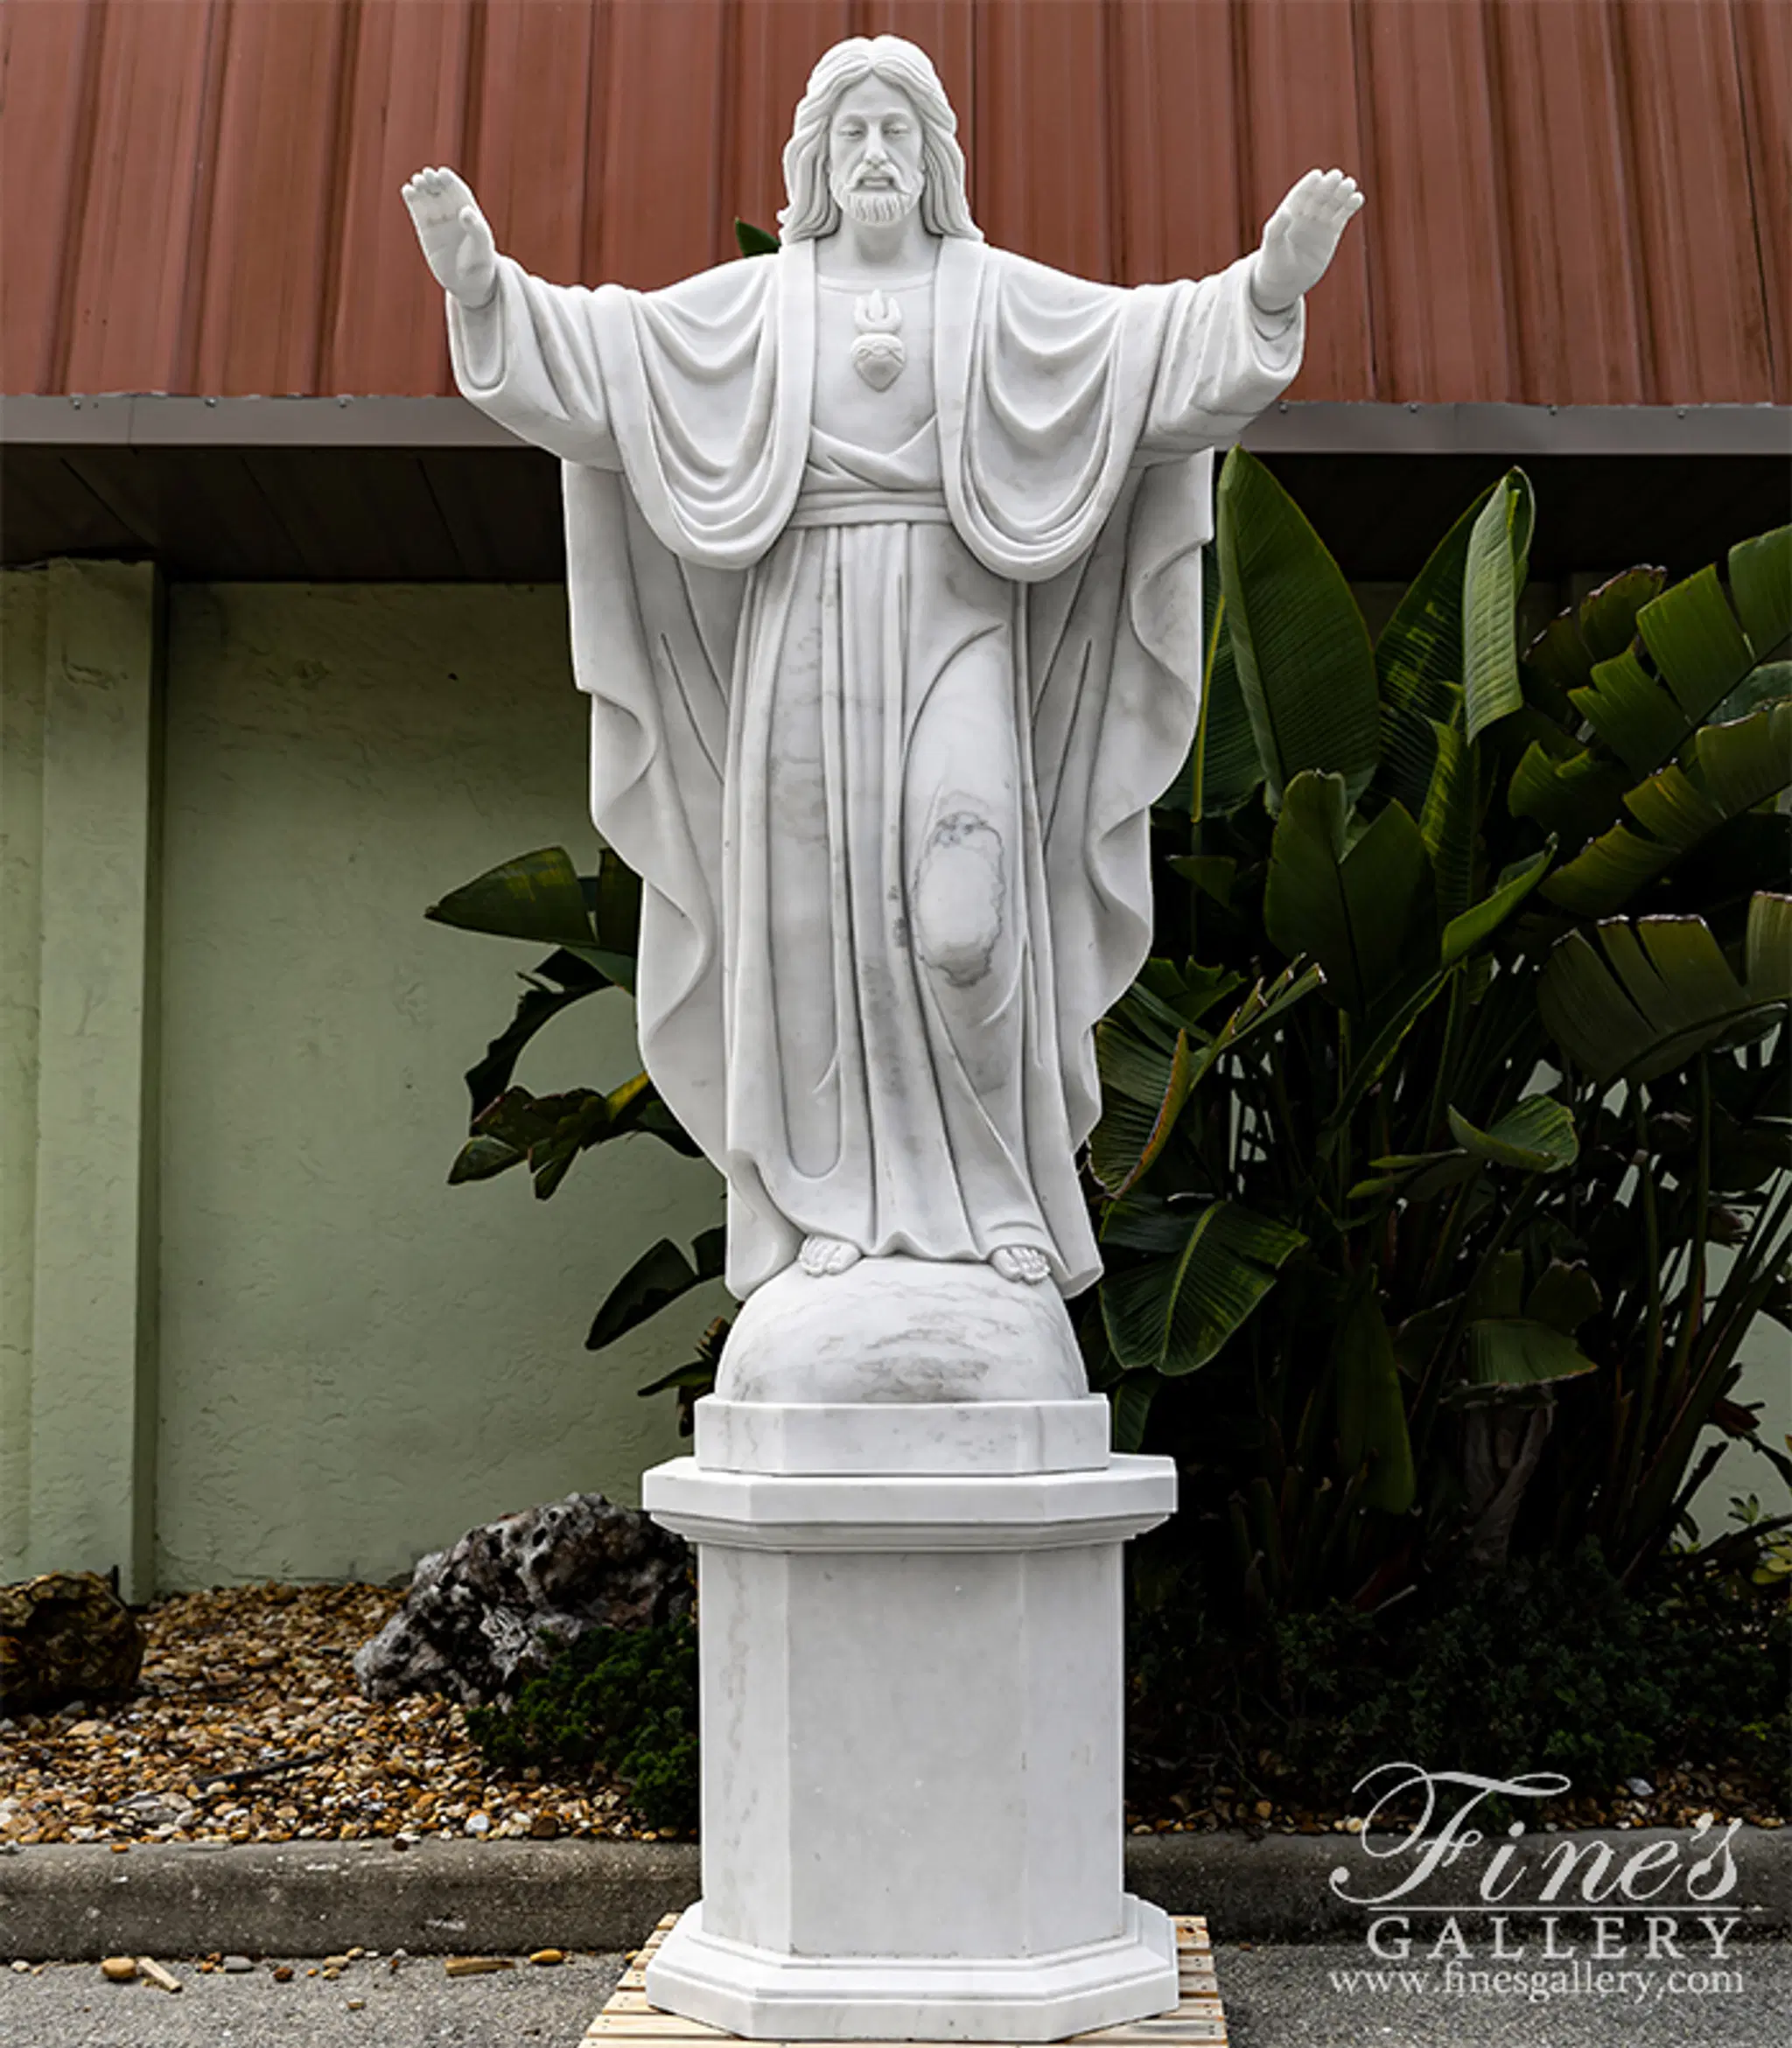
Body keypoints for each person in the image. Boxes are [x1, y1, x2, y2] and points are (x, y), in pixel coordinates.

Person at [403, 35, 1362, 1300]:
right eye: (850, 131)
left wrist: (1268, 290)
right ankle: (827, 1207)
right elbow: (606, 361)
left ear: (932, 157)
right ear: (814, 157)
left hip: (957, 628)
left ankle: (999, 1198)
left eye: (895, 131)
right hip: (802, 636)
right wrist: (485, 291)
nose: (872, 154)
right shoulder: (761, 305)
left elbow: (1152, 354)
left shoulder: (997, 298)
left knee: (969, 924)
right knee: (808, 936)